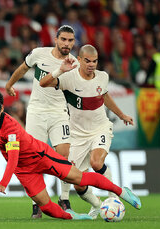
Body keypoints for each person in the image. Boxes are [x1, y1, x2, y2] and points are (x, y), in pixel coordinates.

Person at [0, 88, 141, 220]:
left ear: (2, 108)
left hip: (40, 156)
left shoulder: (10, 126)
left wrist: (3, 183)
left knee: (79, 179)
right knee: (47, 209)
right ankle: (74, 217)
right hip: (24, 170)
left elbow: (12, 157)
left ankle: (121, 191)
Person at [40, 44, 134, 219]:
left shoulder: (102, 77)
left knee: (96, 162)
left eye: (95, 61)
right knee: (76, 181)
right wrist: (60, 70)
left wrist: (122, 115)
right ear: (80, 60)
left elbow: (104, 96)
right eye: (88, 61)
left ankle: (114, 197)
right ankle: (97, 205)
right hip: (77, 136)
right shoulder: (69, 78)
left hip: (100, 129)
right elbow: (43, 83)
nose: (92, 64)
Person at [5, 25, 77, 218]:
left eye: (70, 40)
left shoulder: (74, 64)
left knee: (63, 155)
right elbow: (22, 68)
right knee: (33, 158)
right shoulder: (39, 54)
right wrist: (10, 84)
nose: (67, 44)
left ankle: (64, 198)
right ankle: (36, 204)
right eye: (63, 39)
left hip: (59, 113)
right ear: (56, 39)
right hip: (36, 111)